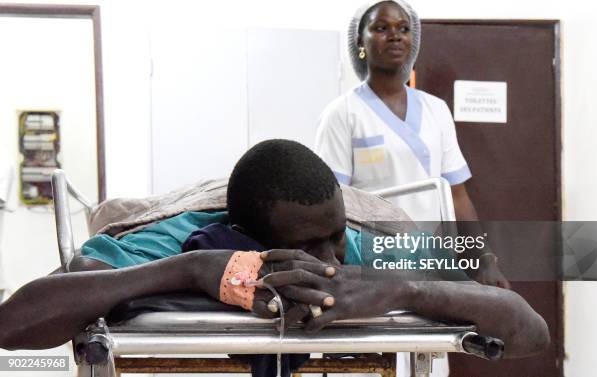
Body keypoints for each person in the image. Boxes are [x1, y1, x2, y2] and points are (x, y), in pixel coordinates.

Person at [0, 140, 548, 365]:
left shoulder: (362, 243)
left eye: (332, 237)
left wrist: (402, 288)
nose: (328, 255)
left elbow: (531, 332)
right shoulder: (180, 237)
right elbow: (15, 323)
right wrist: (189, 269)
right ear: (240, 235)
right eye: (305, 245)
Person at [314, 0, 509, 289]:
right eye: (381, 28)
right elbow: (331, 203)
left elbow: (458, 196)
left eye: (403, 29)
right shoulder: (342, 113)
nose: (395, 35)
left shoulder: (436, 110)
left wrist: (485, 259)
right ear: (360, 41)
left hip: (435, 259)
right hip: (374, 262)